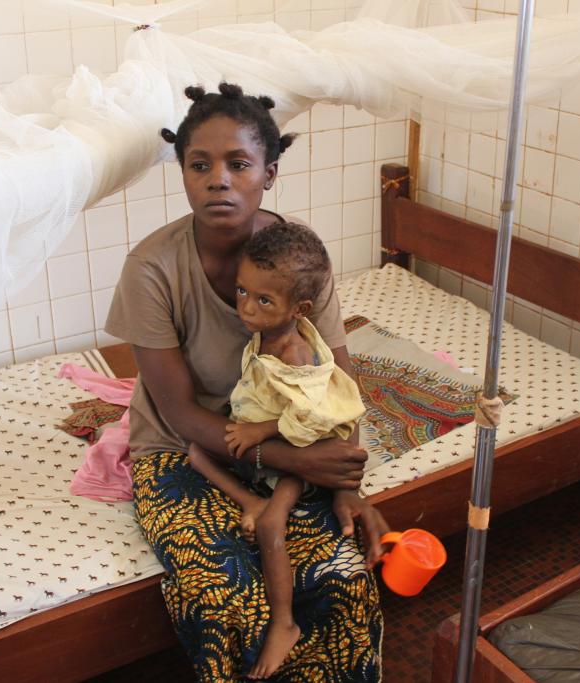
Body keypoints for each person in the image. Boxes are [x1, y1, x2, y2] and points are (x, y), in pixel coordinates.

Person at [104, 82, 388, 681]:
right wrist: (294, 459)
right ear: (182, 174)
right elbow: (179, 413)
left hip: (285, 450)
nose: (218, 180)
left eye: (238, 164)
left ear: (269, 172)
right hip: (185, 450)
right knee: (224, 593)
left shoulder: (299, 257)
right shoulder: (151, 269)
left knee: (344, 580)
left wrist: (346, 483)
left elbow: (338, 377)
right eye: (199, 164)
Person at [187, 221, 367, 679]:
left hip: (299, 454)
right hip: (269, 438)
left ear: (299, 309)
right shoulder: (270, 330)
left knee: (272, 528)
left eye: (263, 300)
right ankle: (249, 498)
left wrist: (262, 430)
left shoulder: (293, 352)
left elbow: (315, 419)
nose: (246, 307)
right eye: (243, 291)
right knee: (195, 450)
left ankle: (284, 623)